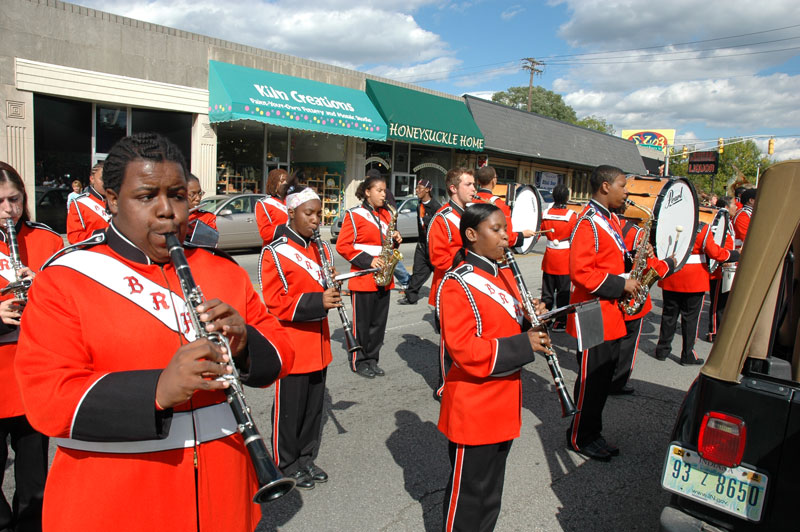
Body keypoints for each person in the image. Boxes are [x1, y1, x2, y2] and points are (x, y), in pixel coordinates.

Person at [15, 133, 295, 532]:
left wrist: (245, 343)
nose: (168, 212)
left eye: (178, 195)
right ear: (112, 199)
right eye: (147, 196)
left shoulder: (223, 271)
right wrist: (158, 390)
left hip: (225, 490)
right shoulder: (64, 280)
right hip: (119, 499)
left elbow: (283, 352)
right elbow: (47, 398)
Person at [437, 202, 552, 532]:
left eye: (506, 229)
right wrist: (523, 343)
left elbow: (508, 321)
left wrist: (531, 315)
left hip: (502, 401)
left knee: (490, 494)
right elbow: (463, 350)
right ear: (472, 235)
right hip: (474, 406)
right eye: (497, 229)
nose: (506, 237)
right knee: (469, 496)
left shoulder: (502, 274)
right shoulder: (456, 283)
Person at [260, 187, 338, 490]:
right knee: (290, 410)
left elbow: (325, 282)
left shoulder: (320, 249)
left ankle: (307, 458)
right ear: (291, 213)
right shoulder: (275, 251)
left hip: (320, 343)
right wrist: (319, 302)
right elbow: (275, 300)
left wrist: (332, 295)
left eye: (319, 214)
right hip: (293, 343)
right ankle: (287, 463)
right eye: (309, 214)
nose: (316, 220)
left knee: (313, 408)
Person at [0, 162, 63, 532]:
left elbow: (72, 302)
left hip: (32, 374)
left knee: (34, 481)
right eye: (2, 202)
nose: (9, 210)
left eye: (15, 199)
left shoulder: (47, 241)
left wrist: (42, 285)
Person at [567, 165, 642, 461]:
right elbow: (581, 273)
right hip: (592, 312)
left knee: (601, 380)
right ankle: (579, 437)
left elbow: (606, 261)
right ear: (605, 187)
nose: (627, 192)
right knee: (590, 381)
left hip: (608, 310)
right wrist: (622, 283)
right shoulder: (588, 222)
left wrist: (631, 261)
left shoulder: (608, 218)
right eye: (623, 186)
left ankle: (593, 433)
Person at [654, 208, 740, 365]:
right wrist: (734, 254)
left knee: (669, 315)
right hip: (694, 278)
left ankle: (662, 350)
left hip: (672, 274)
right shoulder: (702, 227)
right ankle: (687, 355)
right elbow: (714, 253)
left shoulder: (669, 223)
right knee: (690, 318)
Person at [335, 173, 401, 378]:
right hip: (363, 277)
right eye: (379, 190)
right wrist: (368, 260)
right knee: (362, 325)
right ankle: (359, 360)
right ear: (367, 192)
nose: (384, 195)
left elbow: (387, 243)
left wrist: (396, 240)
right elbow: (343, 245)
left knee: (378, 324)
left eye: (384, 190)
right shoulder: (354, 215)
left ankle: (372, 358)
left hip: (384, 277)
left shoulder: (388, 215)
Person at [611, 212, 674, 395]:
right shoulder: (637, 232)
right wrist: (669, 263)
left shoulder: (604, 225)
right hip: (632, 294)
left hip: (610, 291)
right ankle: (618, 382)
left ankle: (604, 375)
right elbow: (651, 267)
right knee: (628, 342)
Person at [427, 168, 476, 396]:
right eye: (469, 184)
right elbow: (438, 257)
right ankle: (444, 386)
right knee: (450, 344)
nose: (474, 189)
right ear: (454, 188)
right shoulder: (442, 217)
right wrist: (468, 255)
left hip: (472, 287)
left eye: (474, 184)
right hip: (448, 289)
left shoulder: (473, 214)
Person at [539, 183, 577, 330]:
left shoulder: (545, 214)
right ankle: (560, 321)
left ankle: (545, 318)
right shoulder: (572, 216)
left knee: (547, 292)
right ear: (566, 198)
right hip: (564, 258)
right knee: (563, 293)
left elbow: (539, 232)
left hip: (549, 257)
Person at [397, 179, 440, 305]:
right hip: (421, 244)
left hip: (433, 245)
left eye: (420, 188)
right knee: (418, 271)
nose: (417, 190)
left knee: (438, 272)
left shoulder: (436, 207)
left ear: (427, 189)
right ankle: (411, 297)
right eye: (416, 188)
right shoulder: (418, 204)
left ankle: (444, 296)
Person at [473, 166, 537, 248]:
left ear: (478, 181)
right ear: (493, 180)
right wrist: (522, 234)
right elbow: (508, 237)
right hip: (490, 251)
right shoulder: (500, 205)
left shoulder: (469, 200)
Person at [707, 196, 737, 342]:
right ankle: (713, 331)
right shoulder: (720, 219)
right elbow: (716, 240)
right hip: (719, 265)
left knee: (723, 301)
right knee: (717, 302)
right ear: (726, 205)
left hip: (727, 263)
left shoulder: (727, 220)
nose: (736, 207)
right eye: (733, 205)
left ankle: (720, 329)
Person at [66, 161, 110, 244]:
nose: (107, 183)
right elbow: (74, 238)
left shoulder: (121, 201)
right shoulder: (79, 204)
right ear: (92, 179)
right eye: (103, 179)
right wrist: (104, 233)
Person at [256, 168, 290, 245]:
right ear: (274, 183)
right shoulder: (264, 203)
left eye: (287, 181)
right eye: (282, 181)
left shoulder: (293, 200)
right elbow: (265, 233)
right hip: (276, 247)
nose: (285, 183)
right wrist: (290, 228)